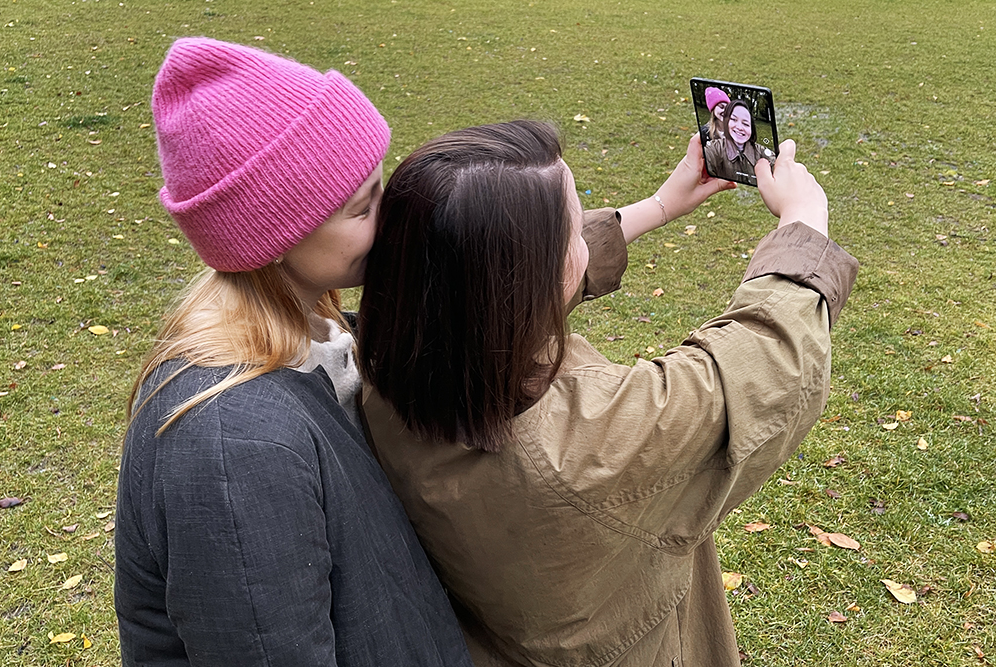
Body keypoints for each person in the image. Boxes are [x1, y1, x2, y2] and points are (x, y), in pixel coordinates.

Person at [358, 120, 858, 666]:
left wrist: (661, 206)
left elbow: (481, 282)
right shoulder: (585, 447)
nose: (582, 239)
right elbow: (754, 367)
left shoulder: (388, 362)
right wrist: (804, 225)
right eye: (573, 231)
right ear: (527, 276)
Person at [114, 38, 472, 666]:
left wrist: (650, 211)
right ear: (276, 236)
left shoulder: (315, 326)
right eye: (364, 208)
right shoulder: (234, 447)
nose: (390, 220)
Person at [704, 99, 775, 183]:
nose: (740, 127)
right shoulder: (713, 149)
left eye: (745, 124)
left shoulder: (763, 153)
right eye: (734, 119)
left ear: (751, 129)